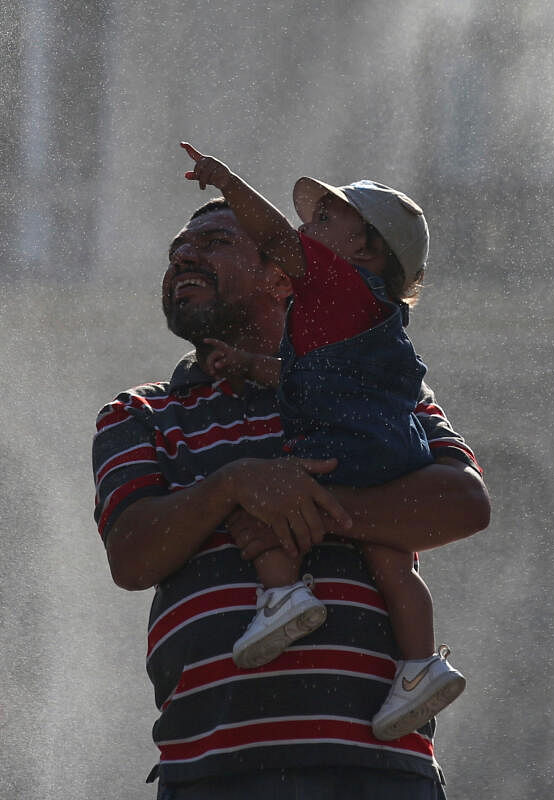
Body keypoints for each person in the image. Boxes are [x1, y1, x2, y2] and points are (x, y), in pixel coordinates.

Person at [93, 196, 489, 798]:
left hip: (375, 768)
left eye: (216, 243)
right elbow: (133, 555)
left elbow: (464, 503)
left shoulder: (371, 390)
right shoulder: (142, 413)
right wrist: (238, 483)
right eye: (178, 250)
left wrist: (319, 511)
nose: (185, 257)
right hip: (213, 768)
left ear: (284, 275)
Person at [177, 143, 465, 741]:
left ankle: (283, 594)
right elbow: (312, 378)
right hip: (394, 447)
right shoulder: (371, 317)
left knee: (268, 502)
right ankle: (419, 668)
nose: (308, 228)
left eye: (325, 221)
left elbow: (277, 237)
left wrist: (229, 182)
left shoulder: (335, 285)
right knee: (393, 560)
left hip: (346, 446)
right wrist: (255, 364)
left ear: (363, 248)